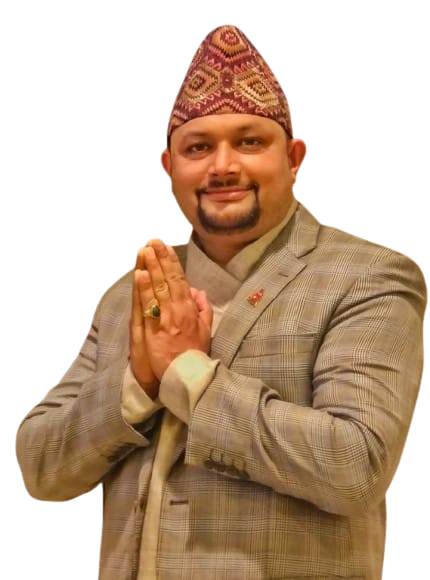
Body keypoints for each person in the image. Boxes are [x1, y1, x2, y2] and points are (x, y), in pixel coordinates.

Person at [16, 24, 426, 580]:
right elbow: (40, 468)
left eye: (249, 142)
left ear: (294, 157)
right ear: (170, 168)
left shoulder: (366, 276)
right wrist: (138, 385)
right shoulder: (127, 294)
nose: (222, 166)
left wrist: (187, 373)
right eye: (199, 148)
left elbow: (356, 467)